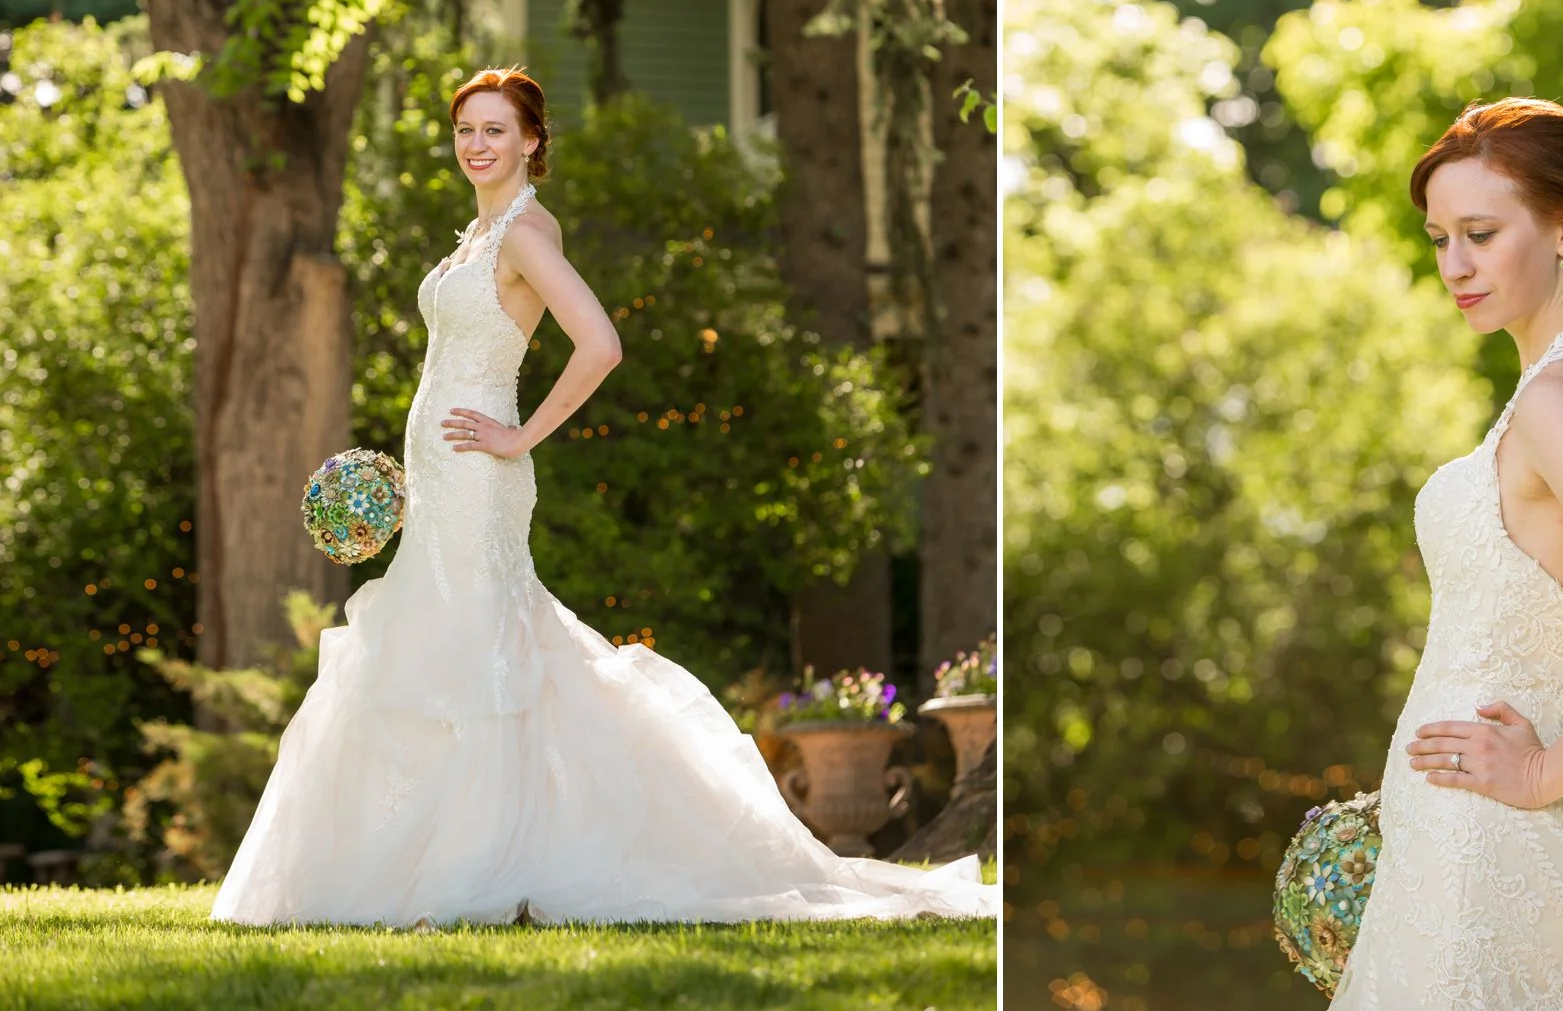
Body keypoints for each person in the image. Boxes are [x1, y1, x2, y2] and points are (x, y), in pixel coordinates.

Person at [213, 66, 993, 927]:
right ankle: (431, 858)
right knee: (448, 643)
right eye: (466, 129)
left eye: (496, 130)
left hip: (480, 476)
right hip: (438, 479)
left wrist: (517, 436)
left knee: (480, 649)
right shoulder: (475, 236)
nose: (477, 144)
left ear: (532, 142)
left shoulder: (524, 235)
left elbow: (601, 342)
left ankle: (478, 863)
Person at [1311, 98, 1563, 1011]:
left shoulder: (1561, 404)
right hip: (1531, 837)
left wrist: (1538, 775)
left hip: (1488, 842)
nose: (1455, 265)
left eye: (1482, 234)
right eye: (1440, 237)